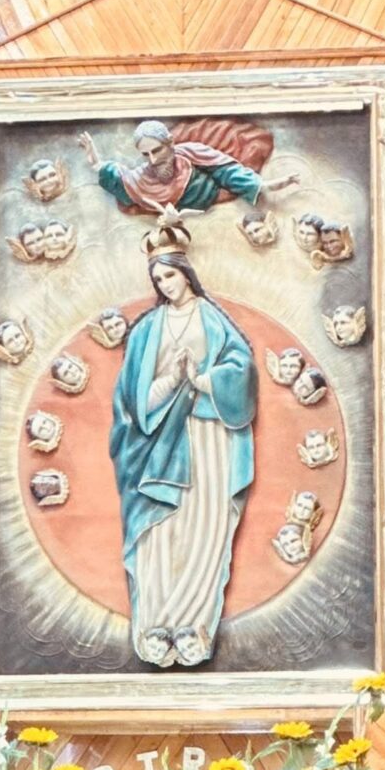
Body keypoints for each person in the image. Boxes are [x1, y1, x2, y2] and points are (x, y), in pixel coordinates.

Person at [109, 232, 257, 669]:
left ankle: (193, 625)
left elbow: (242, 371)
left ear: (186, 273)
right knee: (161, 531)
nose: (165, 285)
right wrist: (172, 380)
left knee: (205, 526)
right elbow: (132, 399)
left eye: (170, 276)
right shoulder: (146, 330)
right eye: (158, 280)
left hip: (208, 436)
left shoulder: (213, 319)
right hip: (160, 443)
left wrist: (201, 379)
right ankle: (155, 624)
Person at [78, 120, 299, 214]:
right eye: (146, 155)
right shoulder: (143, 177)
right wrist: (96, 163)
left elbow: (225, 171)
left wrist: (262, 185)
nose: (153, 160)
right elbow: (122, 180)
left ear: (170, 143)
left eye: (157, 151)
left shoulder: (190, 154)